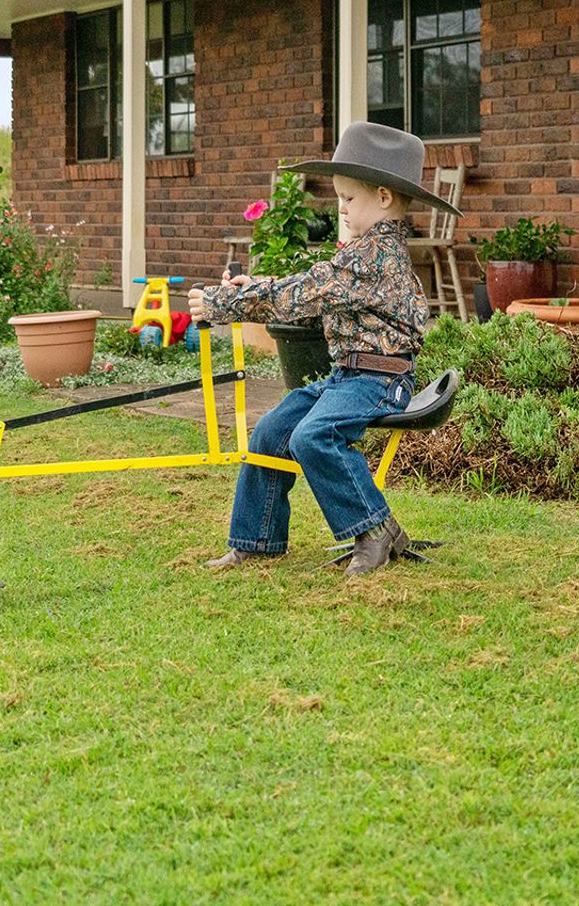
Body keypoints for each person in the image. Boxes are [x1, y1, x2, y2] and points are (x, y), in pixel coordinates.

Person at [188, 122, 460, 578]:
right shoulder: (365, 253)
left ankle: (375, 529)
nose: (342, 208)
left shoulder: (373, 257)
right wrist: (257, 286)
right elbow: (315, 291)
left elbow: (308, 291)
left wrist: (223, 303)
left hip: (380, 380)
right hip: (349, 378)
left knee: (313, 436)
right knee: (272, 431)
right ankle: (256, 539)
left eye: (348, 198)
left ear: (384, 197)